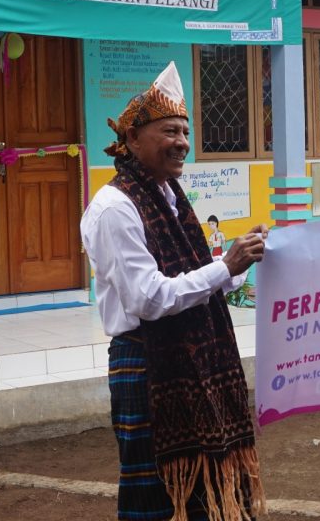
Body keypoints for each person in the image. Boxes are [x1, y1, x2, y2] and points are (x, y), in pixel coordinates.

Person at [80, 61, 269, 521]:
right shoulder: (115, 208)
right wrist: (225, 266)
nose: (183, 142)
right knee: (158, 499)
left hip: (188, 361)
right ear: (131, 140)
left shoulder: (167, 196)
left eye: (185, 131)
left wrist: (247, 262)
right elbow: (149, 298)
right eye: (169, 131)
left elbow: (197, 280)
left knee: (201, 495)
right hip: (149, 365)